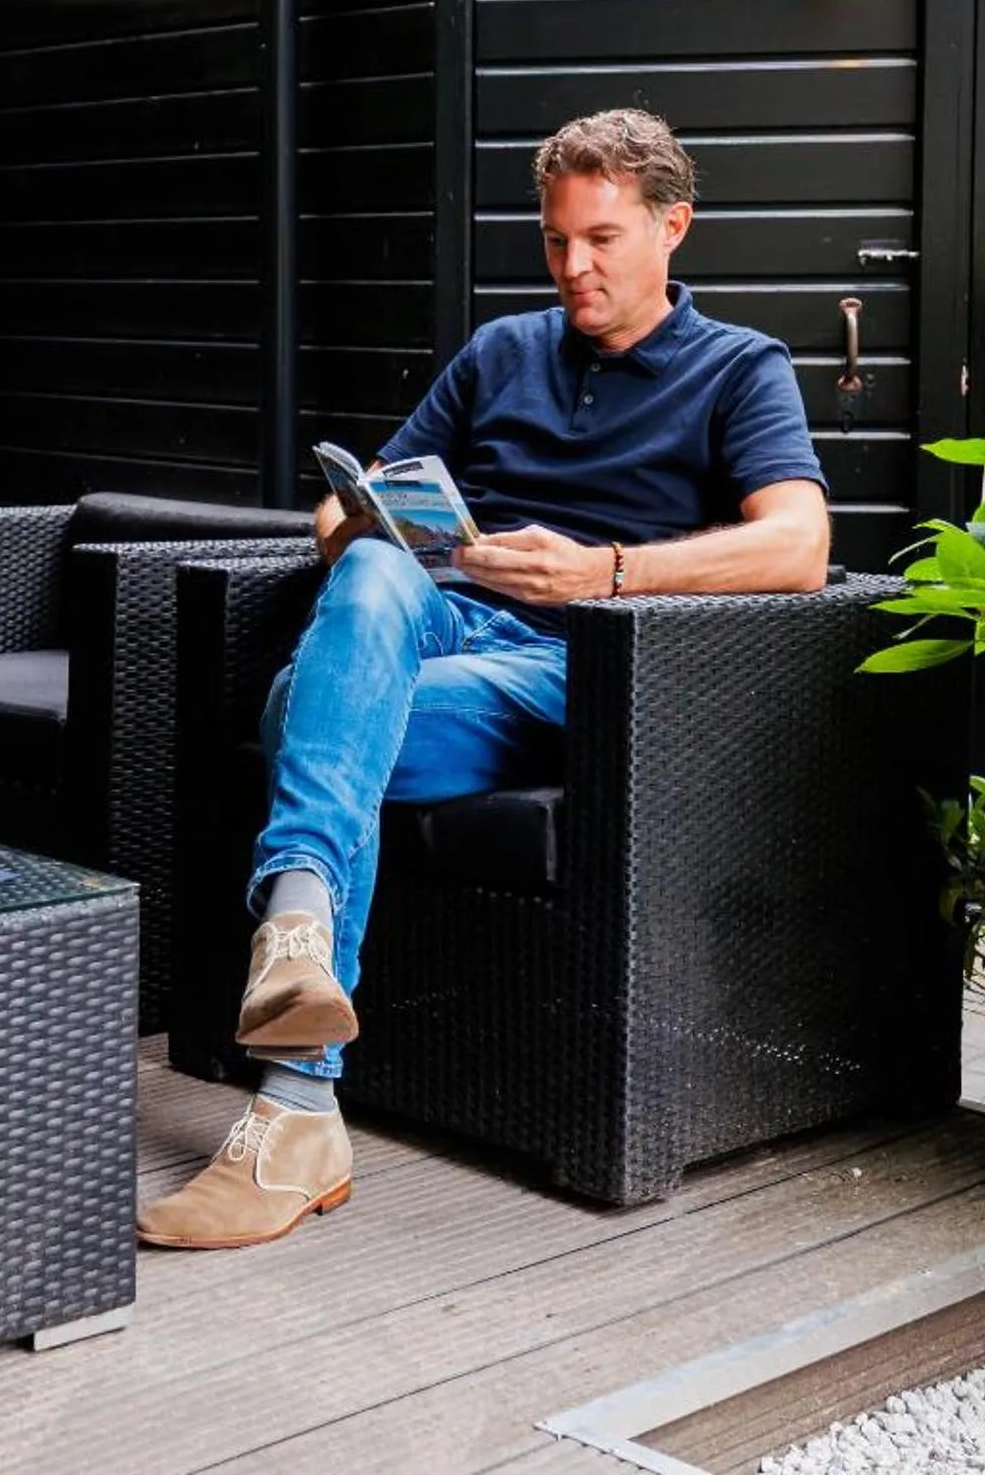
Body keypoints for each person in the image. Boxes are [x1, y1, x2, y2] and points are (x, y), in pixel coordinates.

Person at [134, 108, 832, 1250]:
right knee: (366, 576)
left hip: (580, 667)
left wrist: (603, 573)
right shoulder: (500, 353)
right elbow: (349, 508)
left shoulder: (738, 370)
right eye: (558, 241)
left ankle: (298, 1090)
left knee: (295, 712)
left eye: (601, 239)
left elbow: (801, 548)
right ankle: (299, 955)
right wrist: (355, 523)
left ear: (674, 227)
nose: (574, 267)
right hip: (441, 620)